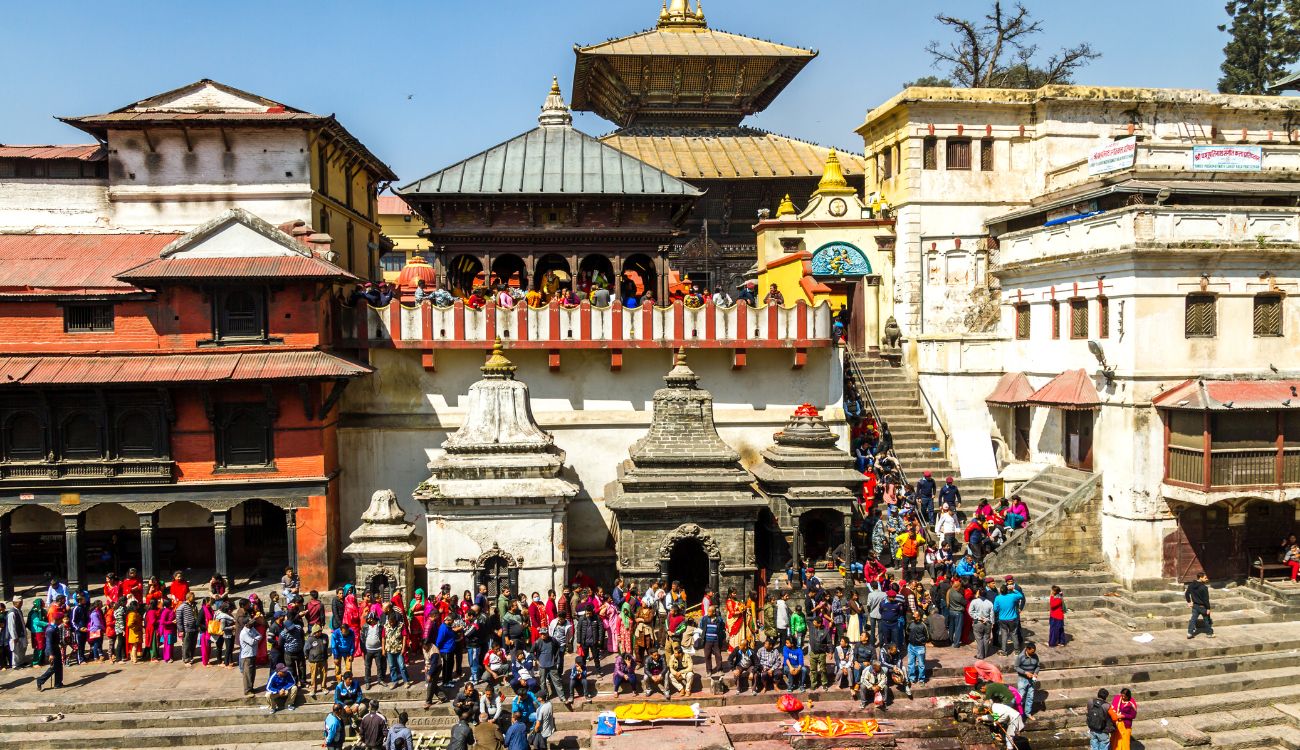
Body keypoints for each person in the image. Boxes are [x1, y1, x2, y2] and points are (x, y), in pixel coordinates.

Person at [34, 616, 64, 691]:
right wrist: (50, 654)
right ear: (56, 619)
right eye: (60, 619)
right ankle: (40, 680)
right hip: (51, 650)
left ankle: (58, 683)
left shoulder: (56, 627)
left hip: (56, 649)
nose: (61, 621)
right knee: (53, 668)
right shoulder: (50, 630)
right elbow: (49, 642)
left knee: (59, 666)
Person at [1014, 642, 1040, 718]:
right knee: (1020, 697)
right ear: (1027, 649)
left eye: (1034, 652)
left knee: (1030, 697)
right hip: (1022, 679)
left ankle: (1028, 713)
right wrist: (1025, 673)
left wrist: (1035, 673)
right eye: (1031, 652)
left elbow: (1038, 666)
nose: (1033, 653)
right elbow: (1016, 667)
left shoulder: (1035, 656)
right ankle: (1018, 713)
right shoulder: (1020, 656)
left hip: (1032, 679)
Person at [1185, 572, 1214, 639]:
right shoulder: (1204, 587)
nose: (1206, 579)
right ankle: (1209, 633)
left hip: (1195, 606)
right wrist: (1208, 608)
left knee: (1193, 620)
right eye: (1205, 578)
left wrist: (1189, 602)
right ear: (1200, 577)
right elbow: (1206, 600)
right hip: (1203, 607)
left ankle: (1189, 633)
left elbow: (1187, 594)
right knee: (1206, 620)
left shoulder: (1191, 585)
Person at [904, 613, 930, 686]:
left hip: (920, 648)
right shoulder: (910, 623)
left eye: (915, 615)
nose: (913, 617)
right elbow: (907, 632)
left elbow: (927, 637)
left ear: (919, 616)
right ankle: (912, 678)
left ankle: (921, 679)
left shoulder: (923, 625)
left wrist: (921, 642)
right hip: (911, 646)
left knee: (921, 664)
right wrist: (909, 640)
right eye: (913, 615)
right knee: (910, 663)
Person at [240, 618, 262, 696]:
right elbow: (252, 642)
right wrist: (255, 640)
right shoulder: (243, 633)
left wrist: (255, 639)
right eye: (250, 622)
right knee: (247, 674)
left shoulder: (252, 628)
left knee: (252, 673)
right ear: (246, 624)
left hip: (253, 654)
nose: (252, 623)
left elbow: (260, 635)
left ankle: (251, 688)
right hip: (247, 656)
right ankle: (247, 690)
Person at [6, 597, 26, 669]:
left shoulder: (18, 611)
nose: (22, 604)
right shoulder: (12, 613)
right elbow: (11, 626)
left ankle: (21, 662)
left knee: (22, 649)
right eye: (21, 603)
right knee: (16, 651)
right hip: (16, 636)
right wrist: (14, 637)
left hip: (21, 634)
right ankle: (16, 665)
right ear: (16, 603)